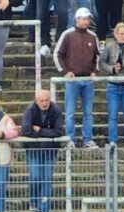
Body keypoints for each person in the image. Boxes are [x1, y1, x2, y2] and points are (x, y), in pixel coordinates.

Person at [53, 7, 100, 149]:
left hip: (87, 80)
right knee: (70, 112)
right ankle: (70, 139)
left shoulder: (92, 36)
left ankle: (87, 139)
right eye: (84, 19)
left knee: (88, 113)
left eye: (88, 19)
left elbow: (97, 55)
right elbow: (57, 54)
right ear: (77, 19)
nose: (86, 21)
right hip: (72, 80)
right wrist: (65, 71)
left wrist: (94, 70)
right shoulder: (67, 35)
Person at [21, 90, 65, 212]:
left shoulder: (56, 110)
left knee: (46, 178)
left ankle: (44, 210)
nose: (45, 103)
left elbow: (59, 131)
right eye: (42, 101)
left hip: (50, 150)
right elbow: (26, 130)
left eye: (47, 100)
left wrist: (40, 131)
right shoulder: (30, 109)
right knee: (35, 176)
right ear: (36, 101)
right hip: (33, 150)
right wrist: (47, 133)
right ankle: (34, 202)